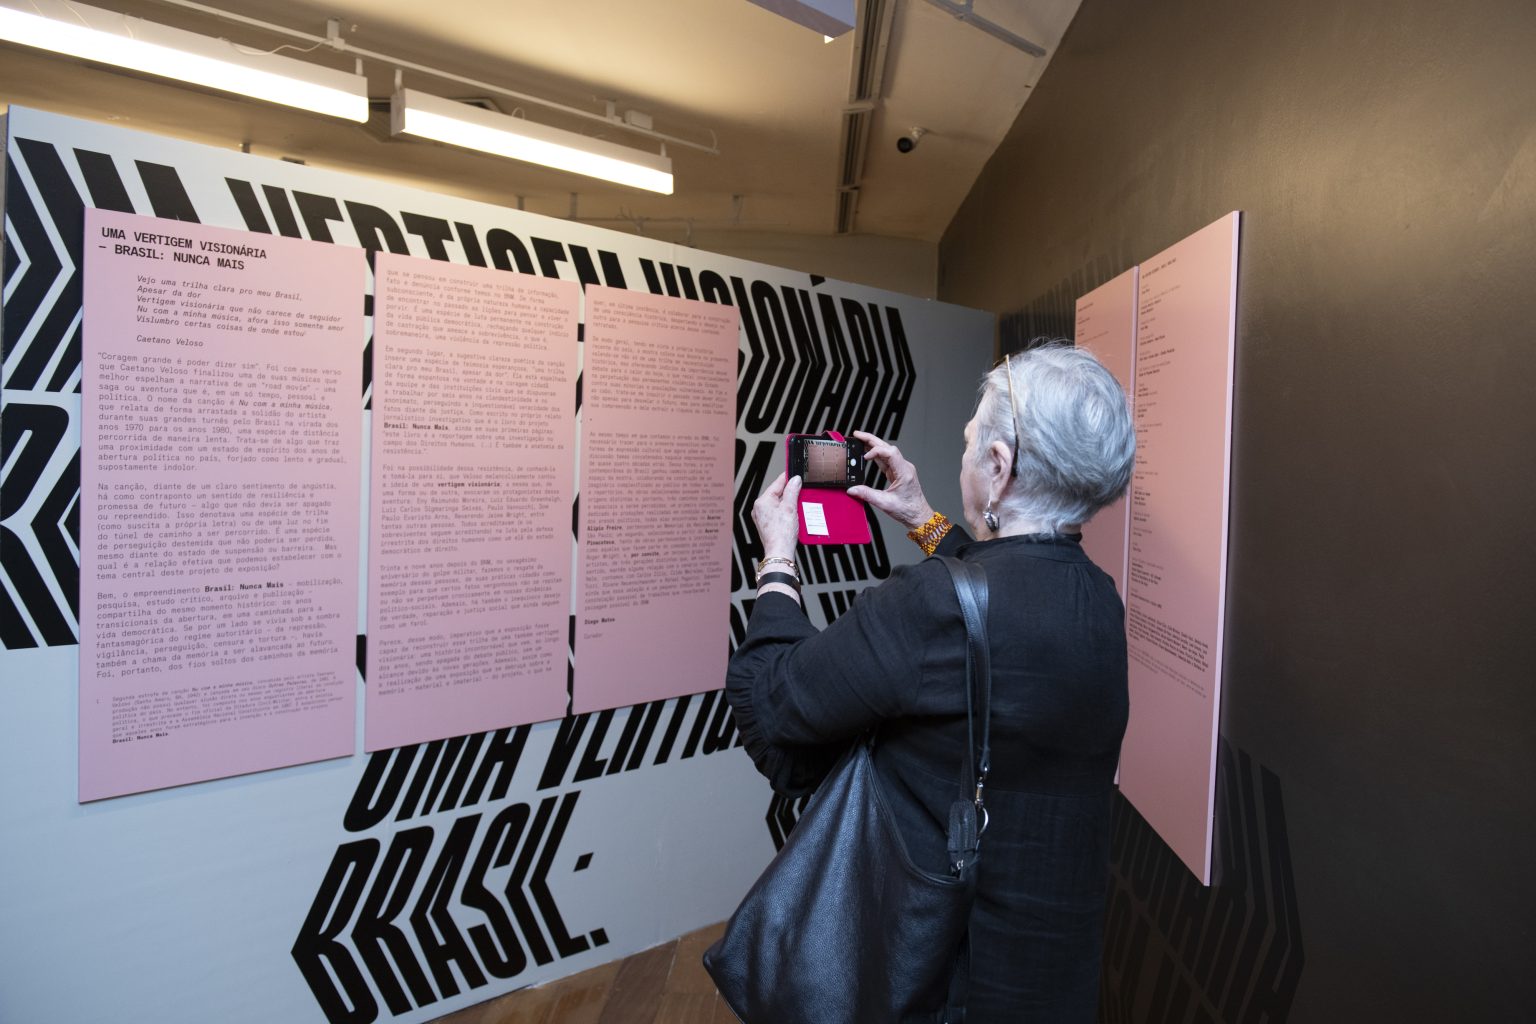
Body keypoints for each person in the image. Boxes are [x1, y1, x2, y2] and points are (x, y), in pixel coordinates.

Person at [724, 342, 1136, 1022]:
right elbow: (1006, 590)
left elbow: (773, 702)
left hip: (941, 972)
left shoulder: (927, 606)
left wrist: (777, 561)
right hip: (1050, 972)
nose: (964, 451)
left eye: (971, 441)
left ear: (998, 467)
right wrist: (923, 517)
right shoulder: (1098, 600)